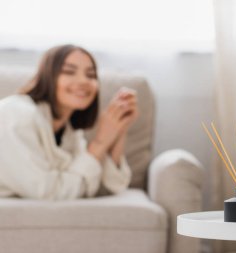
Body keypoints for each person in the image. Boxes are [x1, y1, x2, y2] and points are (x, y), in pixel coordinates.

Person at [0, 44, 138, 200]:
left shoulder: (70, 132)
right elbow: (48, 193)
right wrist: (100, 142)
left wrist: (118, 129)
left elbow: (104, 187)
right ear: (47, 77)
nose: (83, 81)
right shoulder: (15, 115)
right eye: (69, 72)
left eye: (91, 75)